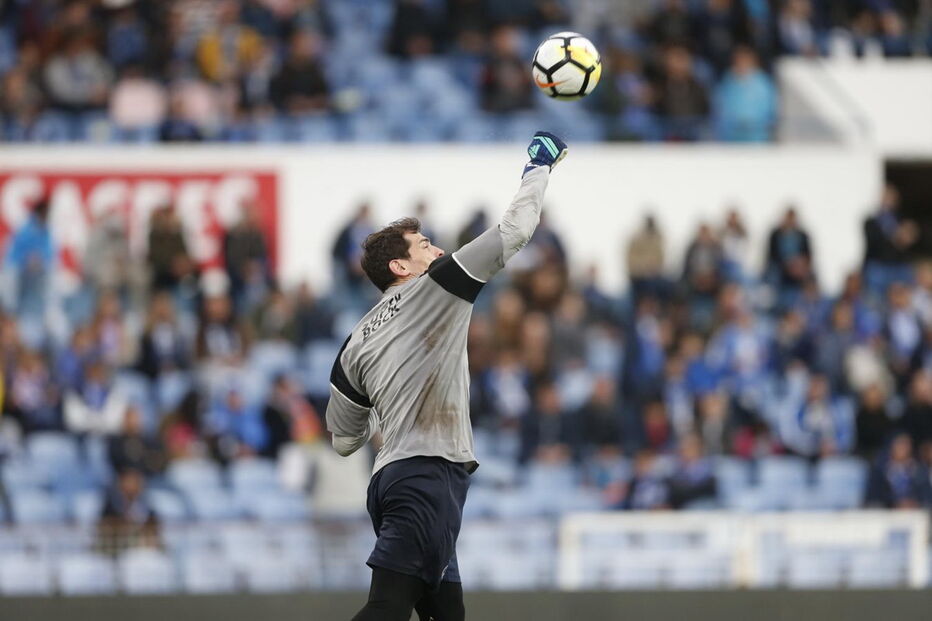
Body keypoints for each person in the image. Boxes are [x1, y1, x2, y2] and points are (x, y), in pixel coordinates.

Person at [326, 132, 568, 621]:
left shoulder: (353, 342)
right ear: (401, 266)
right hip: (427, 475)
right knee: (387, 608)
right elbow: (515, 230)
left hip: (392, 480)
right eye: (426, 244)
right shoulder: (435, 287)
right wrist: (538, 165)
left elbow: (343, 440)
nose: (437, 251)